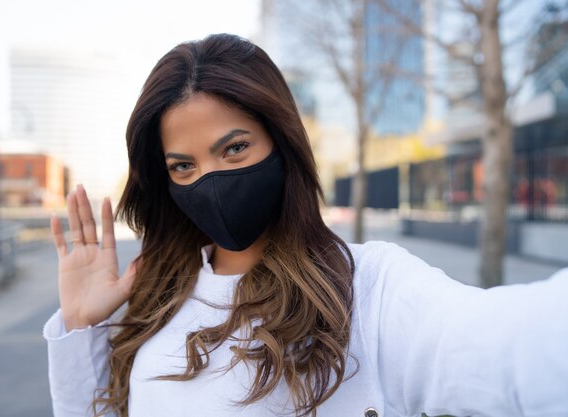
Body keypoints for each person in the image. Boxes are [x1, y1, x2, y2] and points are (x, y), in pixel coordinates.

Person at [43, 33, 568, 417]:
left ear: (281, 140)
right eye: (184, 165)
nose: (210, 180)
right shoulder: (157, 297)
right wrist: (82, 329)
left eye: (234, 148)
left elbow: (501, 347)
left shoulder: (368, 287)